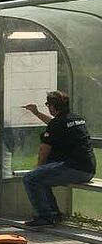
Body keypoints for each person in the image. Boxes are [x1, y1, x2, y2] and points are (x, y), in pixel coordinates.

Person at [21, 91, 96, 228]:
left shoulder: (58, 124)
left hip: (74, 170)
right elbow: (55, 124)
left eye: (48, 104)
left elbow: (44, 150)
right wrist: (37, 113)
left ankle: (46, 216)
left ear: (52, 107)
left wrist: (38, 169)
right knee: (42, 177)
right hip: (88, 169)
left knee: (31, 178)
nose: (48, 107)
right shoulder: (76, 118)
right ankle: (53, 214)